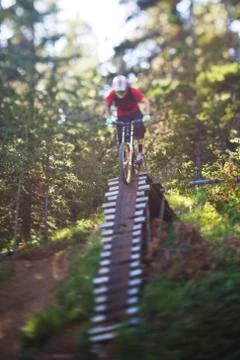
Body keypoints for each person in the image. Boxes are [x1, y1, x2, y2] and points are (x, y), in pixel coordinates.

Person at [105, 75, 151, 163]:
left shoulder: (133, 91)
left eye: (122, 92)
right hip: (121, 115)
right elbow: (107, 105)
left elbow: (146, 101)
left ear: (127, 87)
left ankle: (140, 154)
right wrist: (108, 118)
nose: (120, 94)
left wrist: (147, 114)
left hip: (135, 113)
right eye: (118, 92)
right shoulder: (112, 93)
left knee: (139, 128)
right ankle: (126, 157)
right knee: (120, 134)